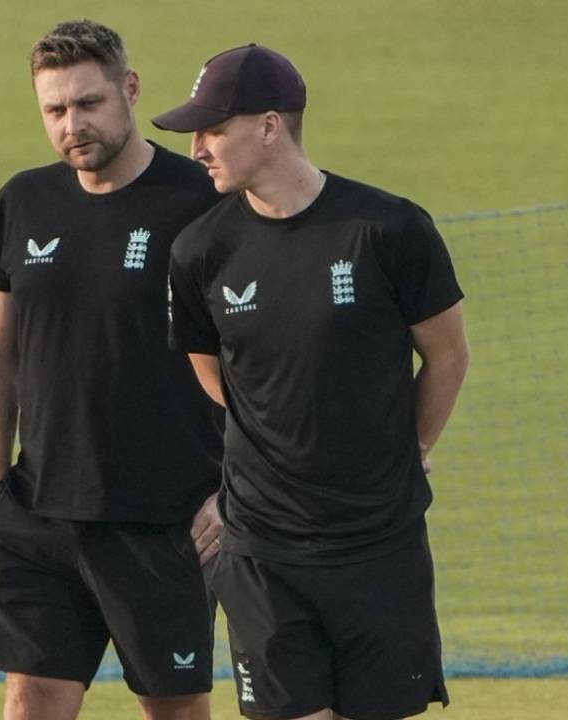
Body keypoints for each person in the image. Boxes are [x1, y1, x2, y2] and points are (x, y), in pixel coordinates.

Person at [153, 44, 471, 720]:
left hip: (379, 543)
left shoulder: (389, 228)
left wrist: (410, 445)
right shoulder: (200, 251)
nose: (197, 150)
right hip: (262, 549)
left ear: (270, 126)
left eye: (213, 130)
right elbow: (214, 375)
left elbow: (448, 357)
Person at [0, 20, 225, 720]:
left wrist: (233, 488)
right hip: (37, 515)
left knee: (175, 709)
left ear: (130, 89)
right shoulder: (22, 202)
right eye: (54, 110)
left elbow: (260, 355)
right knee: (28, 704)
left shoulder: (201, 201)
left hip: (168, 520)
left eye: (89, 103)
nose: (72, 125)